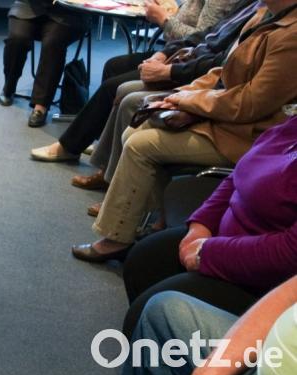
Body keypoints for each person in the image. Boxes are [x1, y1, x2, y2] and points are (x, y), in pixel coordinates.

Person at [70, 0, 297, 262]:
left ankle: (116, 239)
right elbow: (222, 70)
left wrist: (188, 101)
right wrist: (182, 94)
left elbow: (250, 103)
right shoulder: (264, 14)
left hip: (248, 135)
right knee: (136, 129)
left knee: (141, 144)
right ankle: (151, 223)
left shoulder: (291, 36)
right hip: (225, 117)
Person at [118, 112, 297, 337]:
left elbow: (290, 255)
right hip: (226, 237)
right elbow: (238, 175)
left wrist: (207, 252)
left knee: (150, 311)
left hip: (266, 282)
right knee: (143, 260)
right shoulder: (292, 125)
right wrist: (201, 224)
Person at [29, 0, 255, 164]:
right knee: (113, 65)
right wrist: (163, 52)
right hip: (179, 54)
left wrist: (163, 21)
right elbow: (199, 37)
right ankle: (104, 146)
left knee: (116, 88)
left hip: (191, 68)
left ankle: (71, 147)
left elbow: (205, 45)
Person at [123, 276, 297, 375]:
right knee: (162, 310)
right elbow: (291, 291)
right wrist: (211, 369)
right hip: (268, 356)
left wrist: (208, 253)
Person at [0, 0, 88, 127]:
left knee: (53, 43)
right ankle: (9, 85)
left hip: (69, 12)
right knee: (17, 38)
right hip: (28, 6)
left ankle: (41, 105)